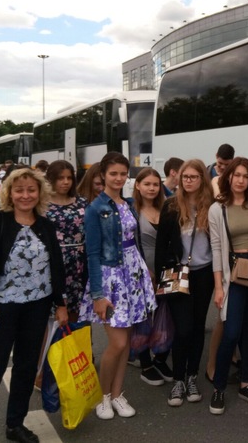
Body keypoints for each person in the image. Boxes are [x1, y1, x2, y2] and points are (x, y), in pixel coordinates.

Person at [0, 168, 67, 443]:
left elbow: (55, 266)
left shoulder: (45, 225)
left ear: (40, 193)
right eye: (19, 190)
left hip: (37, 307)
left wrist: (60, 303)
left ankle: (15, 424)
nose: (25, 195)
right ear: (9, 193)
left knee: (26, 367)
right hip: (2, 307)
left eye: (31, 190)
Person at [79, 152, 157, 420]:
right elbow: (92, 254)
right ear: (103, 175)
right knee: (118, 341)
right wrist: (97, 295)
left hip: (132, 276)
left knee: (126, 343)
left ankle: (116, 394)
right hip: (110, 279)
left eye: (123, 173)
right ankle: (102, 397)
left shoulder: (129, 204)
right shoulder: (95, 209)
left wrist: (144, 271)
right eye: (113, 173)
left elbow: (134, 241)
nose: (119, 178)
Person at [208, 157, 248, 415]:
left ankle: (246, 383)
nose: (241, 180)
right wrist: (219, 287)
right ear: (229, 177)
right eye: (237, 175)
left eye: (246, 176)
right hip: (233, 271)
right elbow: (216, 249)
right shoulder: (218, 209)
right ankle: (219, 387)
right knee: (231, 331)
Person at [154, 160, 215, 406]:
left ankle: (191, 377)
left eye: (193, 177)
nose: (188, 181)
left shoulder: (211, 206)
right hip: (178, 273)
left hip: (204, 273)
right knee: (183, 329)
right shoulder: (170, 206)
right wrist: (160, 280)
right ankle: (178, 379)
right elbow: (161, 245)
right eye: (185, 177)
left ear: (202, 179)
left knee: (198, 326)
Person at [130, 167, 174, 385]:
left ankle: (160, 358)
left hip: (166, 268)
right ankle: (145, 364)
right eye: (147, 184)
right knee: (144, 317)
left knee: (167, 314)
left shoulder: (167, 208)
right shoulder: (131, 211)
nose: (152, 188)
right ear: (138, 186)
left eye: (156, 184)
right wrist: (144, 269)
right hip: (142, 269)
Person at [45, 160, 88, 321]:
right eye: (60, 178)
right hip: (54, 260)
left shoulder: (82, 202)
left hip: (79, 262)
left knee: (78, 311)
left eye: (69, 178)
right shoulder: (42, 204)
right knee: (53, 313)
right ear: (51, 179)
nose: (65, 182)